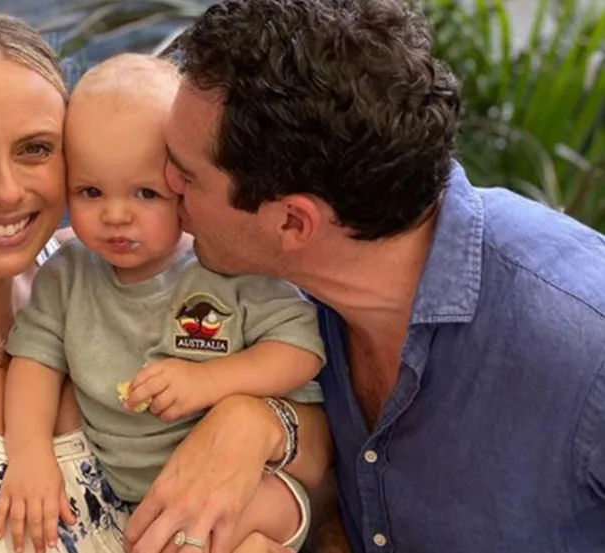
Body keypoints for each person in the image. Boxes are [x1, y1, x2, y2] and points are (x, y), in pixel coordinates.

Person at [0, 9, 334, 553]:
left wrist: (252, 420)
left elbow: (321, 452)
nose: (5, 190)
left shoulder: (106, 267)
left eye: (35, 150)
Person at [144, 0, 605, 552]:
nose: (164, 183)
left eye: (187, 175)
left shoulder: (585, 341)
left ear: (294, 221)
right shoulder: (286, 294)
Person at [0, 53, 327, 553]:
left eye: (145, 193)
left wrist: (209, 379)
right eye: (89, 191)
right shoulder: (67, 274)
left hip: (254, 488)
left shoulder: (226, 267)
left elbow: (301, 349)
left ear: (183, 188)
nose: (115, 216)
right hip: (133, 498)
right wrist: (29, 454)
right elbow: (34, 360)